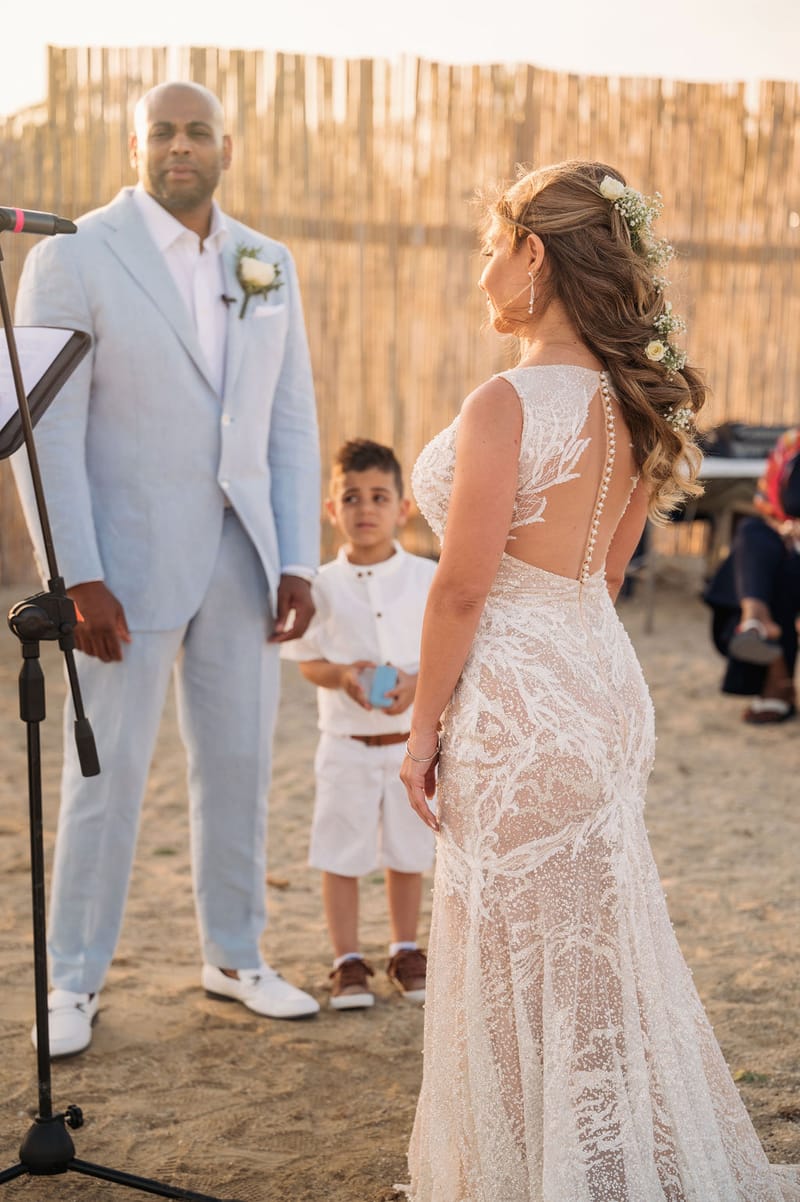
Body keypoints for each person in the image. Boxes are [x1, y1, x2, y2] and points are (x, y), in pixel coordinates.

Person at [399, 161, 800, 1200]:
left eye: (492, 246)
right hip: (599, 681)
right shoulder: (632, 401)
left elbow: (459, 590)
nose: (482, 269)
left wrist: (417, 727)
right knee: (591, 954)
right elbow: (604, 572)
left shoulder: (504, 401)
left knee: (508, 956)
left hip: (518, 704)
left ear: (535, 253)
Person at [11, 81, 322, 1057]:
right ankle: (72, 978)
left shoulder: (264, 261)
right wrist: (77, 574)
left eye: (196, 132)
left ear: (226, 144)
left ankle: (235, 955)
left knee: (239, 762)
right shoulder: (73, 252)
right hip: (122, 569)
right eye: (162, 131)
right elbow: (42, 431)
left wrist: (298, 555)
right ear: (136, 142)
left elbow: (288, 419)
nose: (178, 146)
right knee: (108, 774)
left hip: (242, 556)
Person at [282, 439, 436, 1010]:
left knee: (407, 852)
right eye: (351, 497)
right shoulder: (318, 584)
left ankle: (405, 949)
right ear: (332, 509)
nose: (364, 508)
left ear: (403, 507)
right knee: (340, 852)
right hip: (344, 745)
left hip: (406, 746)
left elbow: (451, 651)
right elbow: (306, 661)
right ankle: (347, 960)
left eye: (379, 496)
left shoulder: (427, 579)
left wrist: (417, 685)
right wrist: (344, 676)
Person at [705, 427, 800, 723]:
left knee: (756, 561)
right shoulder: (791, 443)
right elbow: (771, 505)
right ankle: (755, 616)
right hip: (786, 546)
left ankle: (772, 664)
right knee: (754, 533)